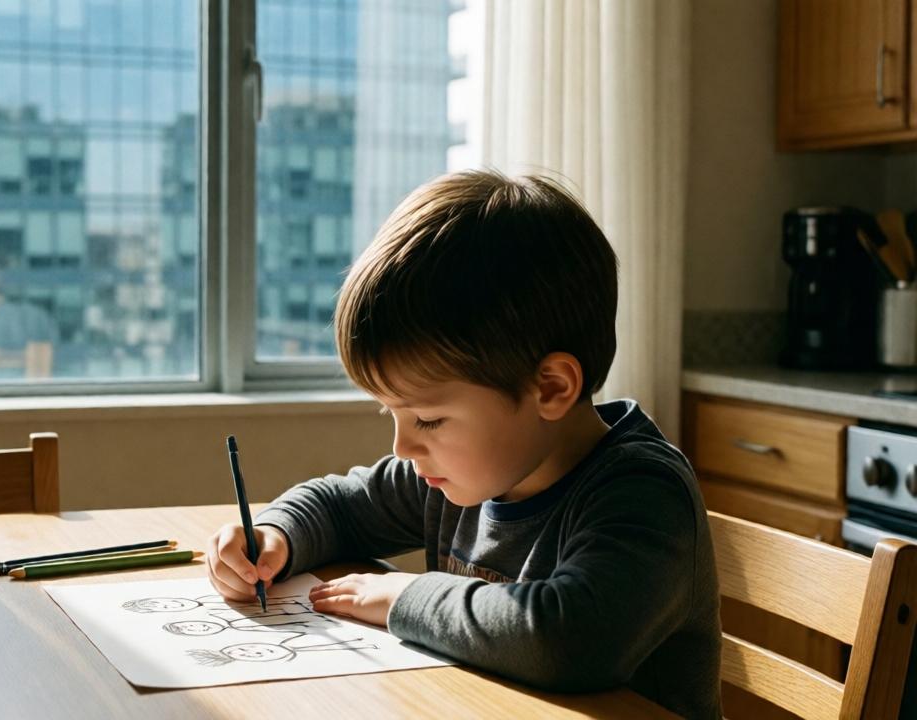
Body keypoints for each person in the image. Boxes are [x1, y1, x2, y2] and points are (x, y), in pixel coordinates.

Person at [205, 169, 721, 718]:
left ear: (550, 388)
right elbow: (340, 507)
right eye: (392, 413)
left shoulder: (642, 495)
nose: (403, 447)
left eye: (428, 419)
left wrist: (404, 597)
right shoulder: (459, 472)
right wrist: (276, 535)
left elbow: (567, 638)